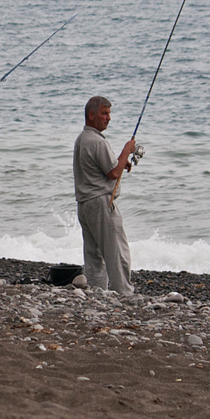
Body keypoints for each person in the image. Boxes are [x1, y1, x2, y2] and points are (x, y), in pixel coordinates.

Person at [75, 95, 139, 295]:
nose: (108, 118)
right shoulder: (97, 141)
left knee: (93, 254)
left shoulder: (82, 139)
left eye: (109, 114)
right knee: (117, 252)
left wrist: (121, 162)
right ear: (91, 115)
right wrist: (126, 151)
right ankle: (125, 293)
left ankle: (97, 292)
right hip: (101, 203)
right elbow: (113, 173)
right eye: (104, 113)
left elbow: (104, 168)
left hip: (85, 204)